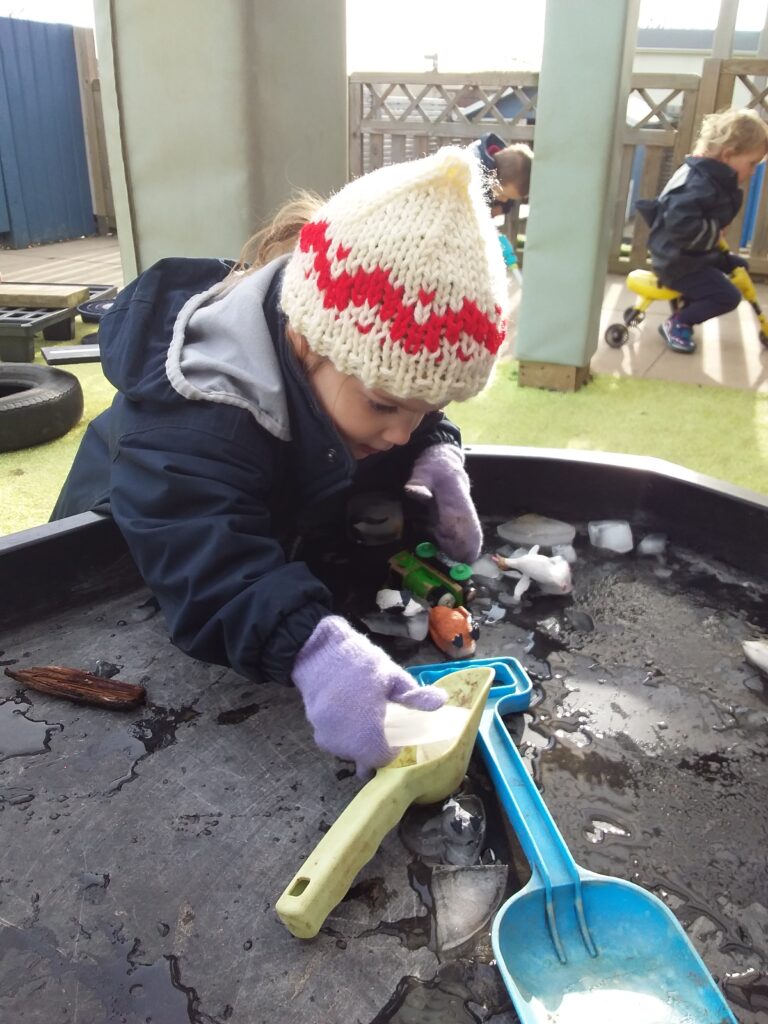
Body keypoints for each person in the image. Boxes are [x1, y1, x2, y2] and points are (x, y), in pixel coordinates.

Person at [50, 147, 509, 777]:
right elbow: (205, 555)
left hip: (257, 552)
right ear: (305, 342)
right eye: (386, 406)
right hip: (117, 579)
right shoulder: (202, 412)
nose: (400, 433)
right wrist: (314, 650)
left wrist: (437, 452)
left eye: (429, 408)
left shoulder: (351, 387)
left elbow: (397, 412)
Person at [637, 107, 768, 354]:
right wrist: (713, 233)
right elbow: (680, 223)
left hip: (692, 252)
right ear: (728, 155)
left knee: (739, 267)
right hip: (677, 260)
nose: (752, 172)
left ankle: (691, 301)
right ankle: (679, 322)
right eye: (751, 164)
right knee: (727, 296)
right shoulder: (700, 184)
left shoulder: (710, 178)